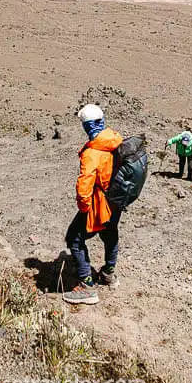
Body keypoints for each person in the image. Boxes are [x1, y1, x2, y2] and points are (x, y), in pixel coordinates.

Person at [63, 104, 123, 305]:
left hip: (99, 204)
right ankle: (108, 273)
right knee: (110, 232)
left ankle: (87, 285)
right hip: (116, 201)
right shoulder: (115, 141)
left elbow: (84, 184)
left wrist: (84, 208)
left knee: (74, 238)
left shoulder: (93, 152)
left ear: (87, 126)